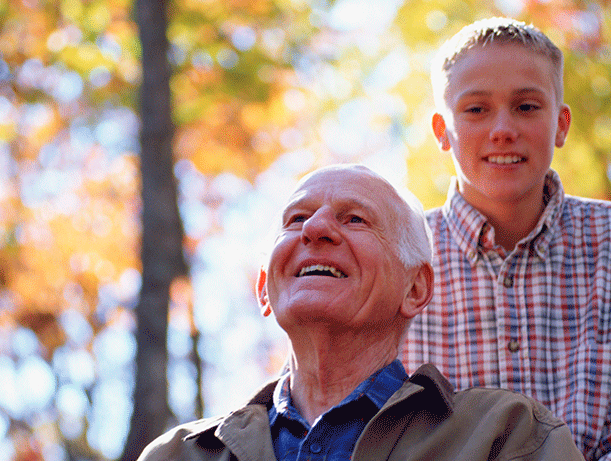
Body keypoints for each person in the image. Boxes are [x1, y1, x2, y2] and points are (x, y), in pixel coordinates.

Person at [137, 164, 583, 461]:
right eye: (296, 220)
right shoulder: (174, 455)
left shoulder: (508, 436)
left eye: (355, 219)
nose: (315, 228)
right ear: (265, 289)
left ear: (415, 288)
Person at [401, 17, 611, 460]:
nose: (503, 128)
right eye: (477, 109)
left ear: (560, 125)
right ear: (442, 132)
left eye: (526, 107)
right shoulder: (401, 258)